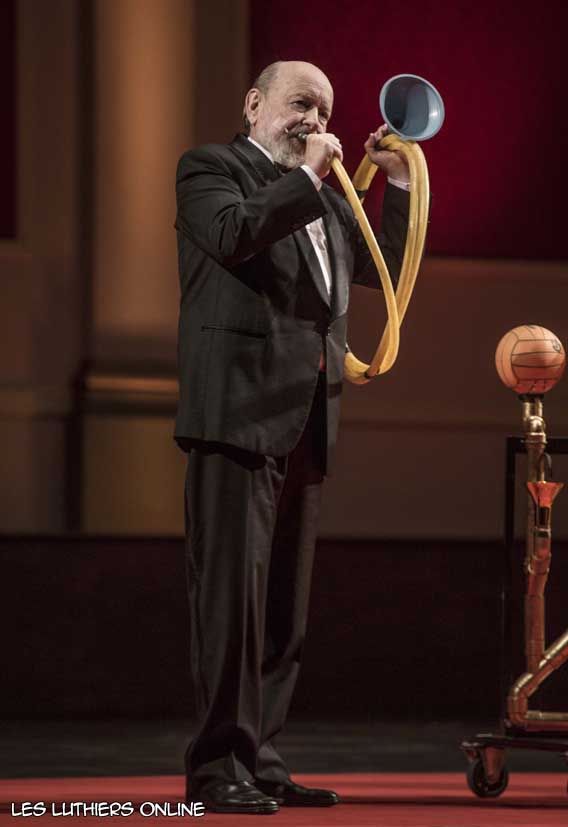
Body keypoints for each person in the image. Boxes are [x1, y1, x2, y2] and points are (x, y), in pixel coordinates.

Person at [174, 60, 412, 814]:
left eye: (325, 110)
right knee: (232, 605)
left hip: (306, 416)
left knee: (283, 608)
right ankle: (218, 768)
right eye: (300, 103)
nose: (314, 120)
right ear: (255, 104)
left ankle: (262, 757)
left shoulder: (328, 197)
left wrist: (398, 184)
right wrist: (308, 176)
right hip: (236, 415)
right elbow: (232, 235)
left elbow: (382, 269)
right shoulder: (212, 169)